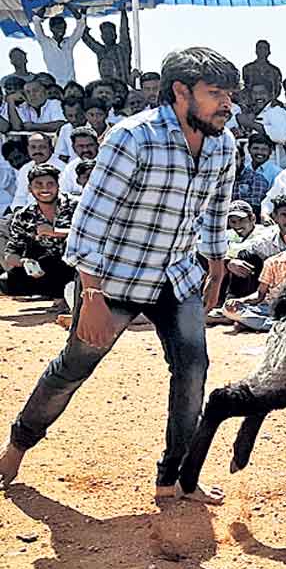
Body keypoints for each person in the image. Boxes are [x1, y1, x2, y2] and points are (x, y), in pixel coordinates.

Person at [0, 47, 240, 502]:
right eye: (215, 94)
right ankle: (17, 444)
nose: (226, 104)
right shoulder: (133, 138)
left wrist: (215, 267)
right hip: (115, 279)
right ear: (180, 92)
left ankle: (175, 478)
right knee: (73, 367)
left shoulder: (223, 142)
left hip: (177, 277)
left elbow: (216, 211)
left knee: (193, 371)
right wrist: (89, 293)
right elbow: (92, 218)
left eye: (228, 94)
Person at [0, 163, 76, 299]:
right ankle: (57, 295)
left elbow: (92, 236)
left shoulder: (76, 206)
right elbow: (11, 252)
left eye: (50, 184)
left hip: (76, 264)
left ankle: (71, 296)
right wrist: (24, 262)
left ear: (58, 186)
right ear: (30, 189)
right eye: (38, 184)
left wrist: (55, 232)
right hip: (46, 267)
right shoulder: (23, 215)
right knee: (7, 281)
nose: (45, 189)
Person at [30, 8, 86, 85]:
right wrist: (45, 7)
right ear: (51, 28)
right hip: (54, 85)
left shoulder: (68, 43)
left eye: (63, 28)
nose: (61, 30)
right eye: (58, 27)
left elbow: (80, 27)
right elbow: (36, 23)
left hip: (71, 84)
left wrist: (73, 9)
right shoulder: (45, 42)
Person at [12, 133, 65, 211]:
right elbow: (20, 197)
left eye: (42, 147)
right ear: (28, 149)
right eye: (33, 147)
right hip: (27, 213)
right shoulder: (25, 168)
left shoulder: (61, 168)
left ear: (51, 148)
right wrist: (18, 211)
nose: (37, 151)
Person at [1, 76, 67, 135]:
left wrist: (34, 126)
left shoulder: (55, 103)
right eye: (28, 92)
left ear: (45, 92)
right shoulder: (23, 107)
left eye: (35, 91)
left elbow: (60, 124)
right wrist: (11, 102)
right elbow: (17, 127)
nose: (32, 94)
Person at [82, 7, 132, 83]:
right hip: (107, 88)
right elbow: (85, 37)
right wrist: (83, 13)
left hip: (123, 87)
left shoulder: (122, 48)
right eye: (105, 33)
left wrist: (123, 12)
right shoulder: (101, 51)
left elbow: (124, 30)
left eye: (110, 33)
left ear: (115, 35)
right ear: (102, 37)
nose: (108, 36)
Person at [59, 126, 99, 197]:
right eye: (80, 146)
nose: (85, 150)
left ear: (97, 145)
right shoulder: (70, 167)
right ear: (73, 148)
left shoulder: (106, 163)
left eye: (90, 145)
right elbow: (63, 192)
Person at [233, 143, 271, 215]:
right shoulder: (219, 179)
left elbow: (254, 208)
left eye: (235, 157)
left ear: (242, 158)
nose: (231, 162)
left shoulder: (256, 179)